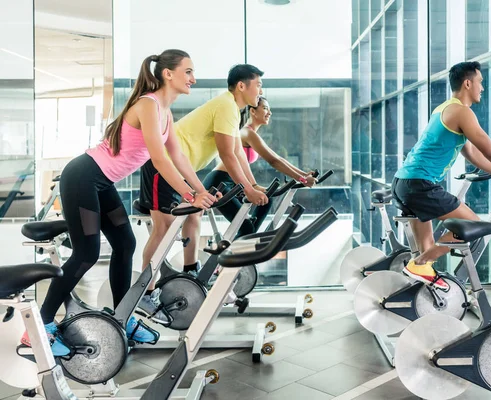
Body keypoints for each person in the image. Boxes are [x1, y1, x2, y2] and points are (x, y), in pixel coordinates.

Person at [24, 49, 217, 356]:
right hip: (83, 178)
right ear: (168, 74)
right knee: (86, 253)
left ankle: (121, 316)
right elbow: (158, 158)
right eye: (188, 71)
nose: (193, 78)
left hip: (101, 183)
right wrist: (192, 194)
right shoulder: (148, 104)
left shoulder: (165, 113)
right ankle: (39, 327)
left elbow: (177, 157)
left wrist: (199, 190)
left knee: (125, 244)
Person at [392, 61, 491, 290]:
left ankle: (422, 292)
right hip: (420, 185)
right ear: (468, 83)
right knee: (472, 225)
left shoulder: (445, 108)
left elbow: (472, 153)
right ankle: (418, 264)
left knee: (427, 255)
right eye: (480, 82)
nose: (482, 88)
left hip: (403, 183)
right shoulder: (462, 112)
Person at [137, 64, 270, 319]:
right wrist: (247, 189)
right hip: (162, 166)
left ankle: (190, 271)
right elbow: (226, 154)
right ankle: (145, 292)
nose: (261, 90)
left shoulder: (232, 109)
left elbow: (238, 152)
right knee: (163, 229)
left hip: (181, 168)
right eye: (259, 84)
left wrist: (252, 186)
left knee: (195, 215)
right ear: (242, 86)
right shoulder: (226, 106)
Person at [203, 95, 316, 236]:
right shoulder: (246, 133)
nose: (269, 113)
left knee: (265, 201)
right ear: (253, 111)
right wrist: (302, 179)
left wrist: (303, 175)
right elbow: (273, 160)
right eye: (265, 108)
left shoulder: (251, 133)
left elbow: (277, 157)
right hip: (220, 182)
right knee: (246, 228)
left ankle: (243, 248)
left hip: (235, 183)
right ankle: (235, 253)